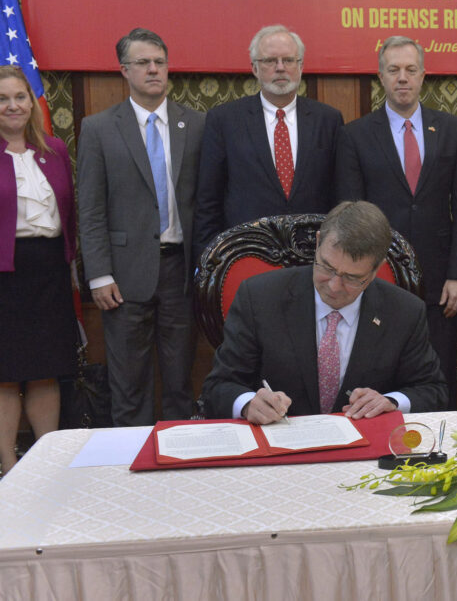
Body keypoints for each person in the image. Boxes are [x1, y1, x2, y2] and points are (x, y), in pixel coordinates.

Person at [202, 200, 447, 422]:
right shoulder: (259, 298)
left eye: (352, 278)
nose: (333, 286)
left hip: (363, 458)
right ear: (318, 242)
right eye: (327, 267)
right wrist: (247, 405)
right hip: (279, 447)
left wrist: (391, 401)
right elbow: (219, 386)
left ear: (376, 270)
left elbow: (432, 391)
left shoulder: (404, 311)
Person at [78, 29, 205, 426]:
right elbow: (91, 209)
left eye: (159, 62)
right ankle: (127, 467)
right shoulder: (98, 128)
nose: (153, 70)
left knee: (181, 380)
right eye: (143, 63)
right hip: (123, 275)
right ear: (124, 71)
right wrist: (98, 275)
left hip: (181, 272)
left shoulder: (198, 125)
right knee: (129, 384)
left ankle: (180, 462)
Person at [339, 36, 457, 410]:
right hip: (378, 277)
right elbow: (352, 214)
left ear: (423, 75)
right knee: (379, 372)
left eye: (410, 70)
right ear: (380, 76)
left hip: (440, 281)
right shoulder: (356, 134)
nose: (403, 78)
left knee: (439, 372)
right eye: (394, 70)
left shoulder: (451, 129)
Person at [193, 24, 346, 263]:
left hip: (312, 256)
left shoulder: (328, 119)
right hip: (246, 255)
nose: (281, 68)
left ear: (301, 66)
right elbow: (208, 200)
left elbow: (339, 193)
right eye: (270, 61)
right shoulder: (224, 120)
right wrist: (207, 262)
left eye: (288, 60)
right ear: (254, 68)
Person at [0, 66, 77, 473]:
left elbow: (71, 213)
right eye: (2, 99)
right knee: (6, 375)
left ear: (32, 102)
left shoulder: (54, 150)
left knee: (47, 369)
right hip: (5, 273)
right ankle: (9, 465)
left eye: (19, 97)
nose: (13, 105)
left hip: (50, 271)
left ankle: (45, 464)